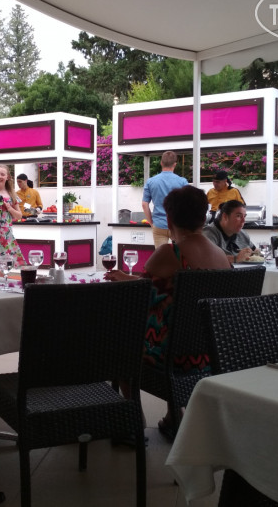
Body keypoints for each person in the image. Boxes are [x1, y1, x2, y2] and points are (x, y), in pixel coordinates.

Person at [105, 185, 230, 440]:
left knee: (119, 346)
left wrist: (123, 279)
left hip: (173, 360)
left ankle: (133, 421)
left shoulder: (169, 252)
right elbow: (156, 283)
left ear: (169, 219)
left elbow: (141, 289)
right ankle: (174, 416)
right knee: (174, 331)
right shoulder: (222, 257)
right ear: (204, 217)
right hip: (212, 356)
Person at [142, 150, 189, 248]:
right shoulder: (182, 182)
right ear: (175, 164)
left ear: (161, 163)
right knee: (180, 253)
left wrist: (151, 222)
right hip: (177, 225)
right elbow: (187, 204)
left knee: (161, 255)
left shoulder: (151, 181)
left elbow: (144, 204)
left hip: (158, 224)